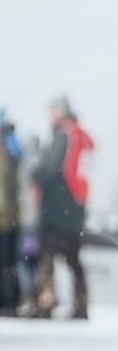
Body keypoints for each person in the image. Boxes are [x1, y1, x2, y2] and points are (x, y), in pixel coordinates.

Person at [31, 96, 94, 319]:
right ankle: (81, 303)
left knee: (47, 256)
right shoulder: (81, 136)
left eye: (52, 110)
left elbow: (50, 169)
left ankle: (45, 303)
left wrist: (35, 174)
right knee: (74, 260)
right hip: (76, 211)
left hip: (57, 209)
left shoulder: (63, 134)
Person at [0, 109, 21, 315]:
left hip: (7, 219)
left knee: (6, 263)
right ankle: (9, 302)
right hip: (10, 217)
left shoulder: (11, 149)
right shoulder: (12, 147)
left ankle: (8, 302)